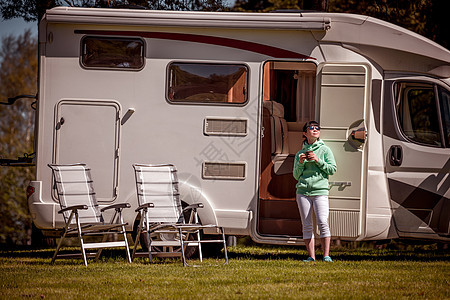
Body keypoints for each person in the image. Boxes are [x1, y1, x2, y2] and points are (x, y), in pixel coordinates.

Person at [293, 121, 337, 262]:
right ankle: (311, 257)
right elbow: (295, 175)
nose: (315, 130)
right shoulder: (300, 153)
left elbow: (332, 169)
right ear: (305, 133)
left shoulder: (325, 150)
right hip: (303, 192)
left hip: (320, 191)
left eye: (317, 128)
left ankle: (326, 256)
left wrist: (318, 160)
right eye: (311, 128)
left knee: (323, 222)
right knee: (307, 225)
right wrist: (300, 163)